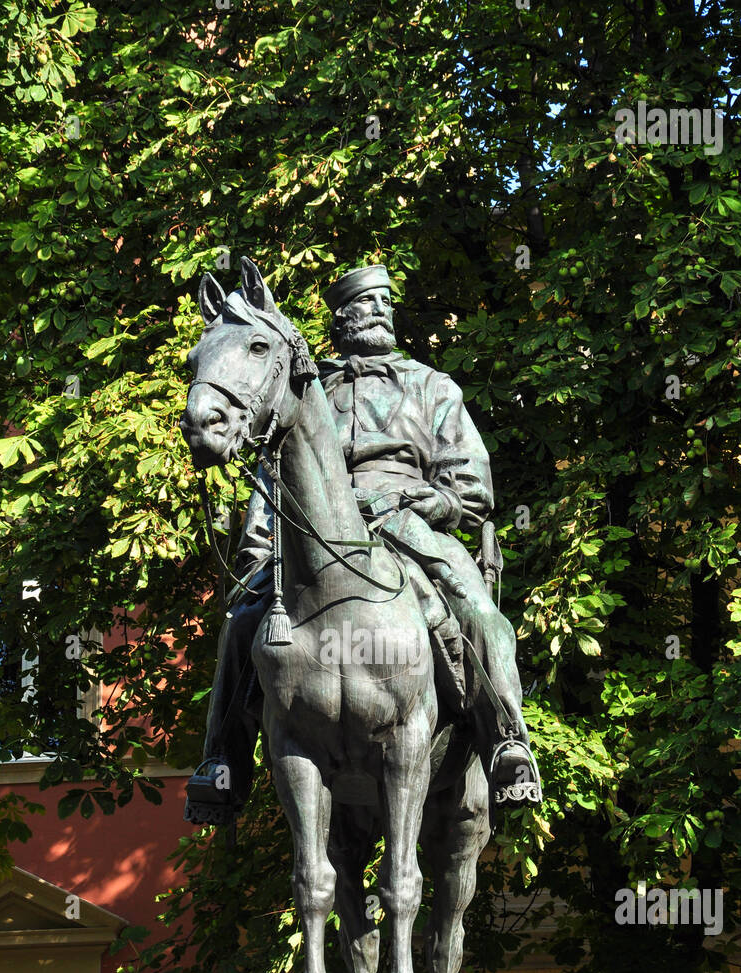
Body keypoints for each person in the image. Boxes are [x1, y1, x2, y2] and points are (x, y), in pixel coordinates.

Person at [184, 265, 540, 827]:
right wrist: (259, 547)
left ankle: (507, 744)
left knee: (478, 613)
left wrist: (437, 504)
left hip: (409, 521)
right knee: (243, 620)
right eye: (364, 302)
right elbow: (275, 462)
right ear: (340, 318)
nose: (377, 310)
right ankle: (222, 763)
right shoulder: (309, 387)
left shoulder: (432, 387)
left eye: (384, 301)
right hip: (312, 529)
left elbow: (469, 483)